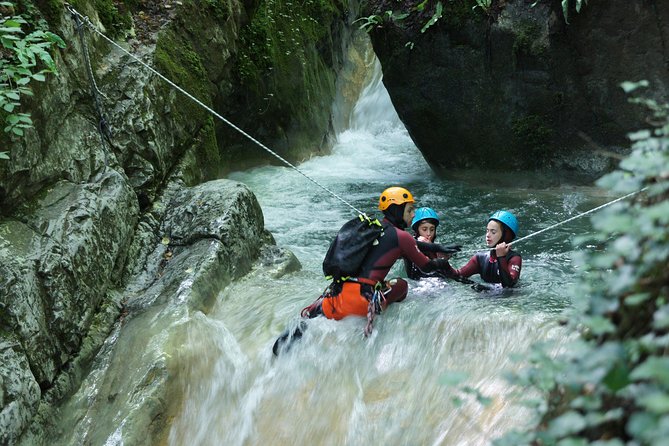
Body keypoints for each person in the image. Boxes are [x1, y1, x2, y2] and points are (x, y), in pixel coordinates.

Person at [303, 187, 460, 330]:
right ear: (397, 210)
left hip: (335, 297)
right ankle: (380, 310)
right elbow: (425, 266)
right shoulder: (401, 236)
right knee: (402, 285)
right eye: (410, 210)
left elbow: (412, 244)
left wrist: (437, 247)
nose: (413, 214)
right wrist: (444, 264)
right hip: (362, 302)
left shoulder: (374, 228)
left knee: (304, 320)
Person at [441, 210, 522, 288]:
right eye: (487, 231)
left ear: (506, 236)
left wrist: (501, 257)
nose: (488, 235)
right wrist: (444, 261)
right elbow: (458, 275)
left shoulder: (514, 258)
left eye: (493, 232)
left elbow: (509, 285)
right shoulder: (480, 258)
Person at [404, 207, 453, 280]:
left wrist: (432, 248)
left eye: (432, 229)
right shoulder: (409, 245)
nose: (428, 233)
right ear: (417, 230)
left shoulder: (438, 247)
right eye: (424, 229)